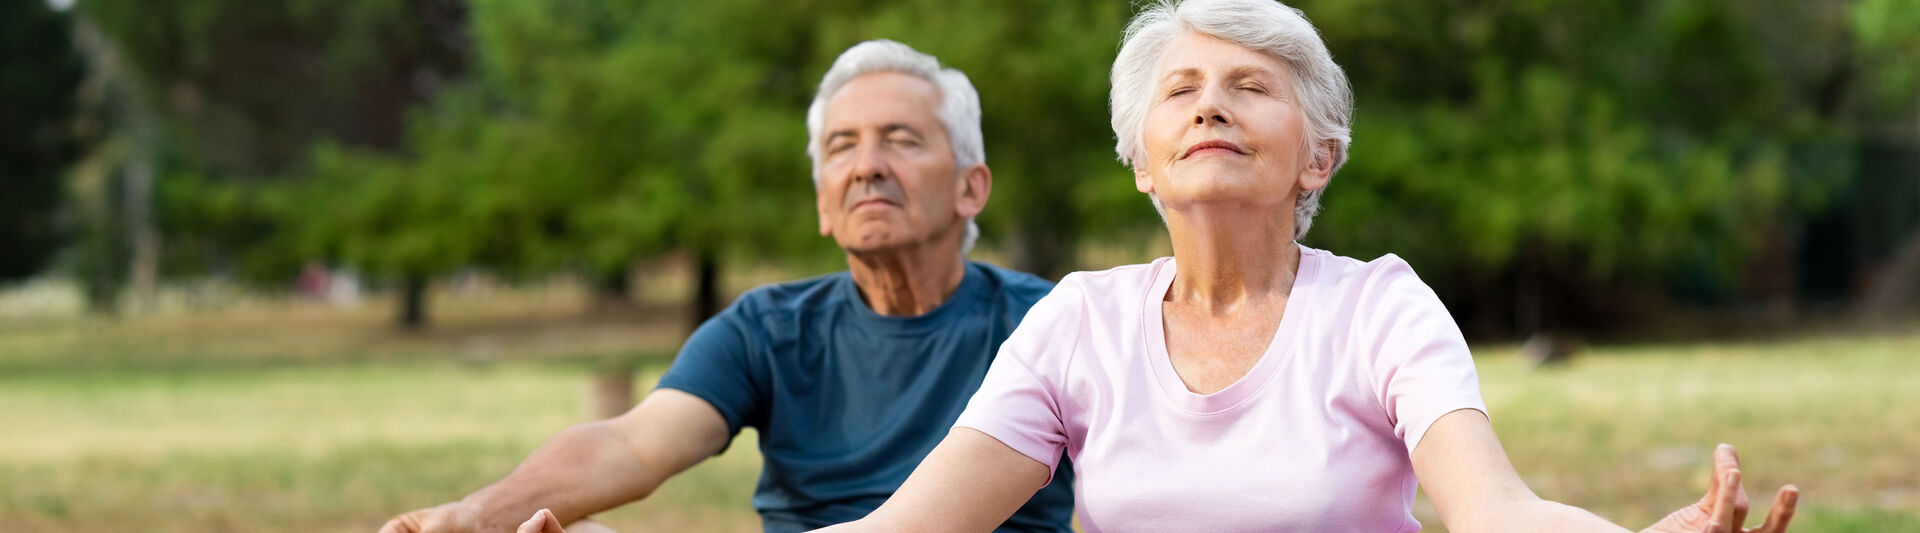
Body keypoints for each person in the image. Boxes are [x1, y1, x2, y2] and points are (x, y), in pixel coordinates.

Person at [796, 1, 1797, 531]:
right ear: (1143, 158)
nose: (1210, 103)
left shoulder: (1380, 308)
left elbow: (1495, 511)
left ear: (1318, 155)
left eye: (1251, 86)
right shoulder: (1077, 321)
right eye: (1181, 87)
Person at [379, 39, 1074, 533]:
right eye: (841, 146)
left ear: (970, 187)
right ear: (823, 204)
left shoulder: (1054, 322)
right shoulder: (767, 328)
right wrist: (476, 516)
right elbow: (633, 444)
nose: (867, 166)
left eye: (901, 139)